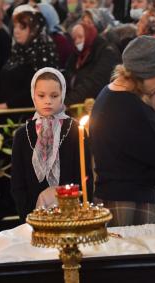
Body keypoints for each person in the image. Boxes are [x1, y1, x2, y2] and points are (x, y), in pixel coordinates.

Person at [90, 36, 155, 227]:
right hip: (128, 202)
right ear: (149, 71)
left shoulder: (109, 93)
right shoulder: (131, 107)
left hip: (113, 197)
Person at [11, 67, 93, 222]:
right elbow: (17, 181)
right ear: (33, 96)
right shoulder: (23, 134)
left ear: (62, 96)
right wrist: (28, 215)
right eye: (41, 95)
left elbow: (84, 176)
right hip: (33, 216)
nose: (48, 100)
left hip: (71, 213)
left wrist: (80, 210)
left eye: (54, 95)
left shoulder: (75, 130)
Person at [0, 7, 59, 115]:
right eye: (15, 26)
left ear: (34, 30)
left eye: (22, 27)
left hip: (29, 115)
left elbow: (40, 89)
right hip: (8, 113)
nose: (16, 31)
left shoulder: (43, 53)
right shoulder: (18, 50)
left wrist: (9, 104)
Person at [65, 22, 120, 105]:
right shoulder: (77, 55)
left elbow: (94, 83)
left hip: (100, 103)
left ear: (89, 35)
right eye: (74, 39)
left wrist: (66, 102)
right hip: (77, 103)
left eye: (80, 37)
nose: (77, 41)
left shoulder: (107, 52)